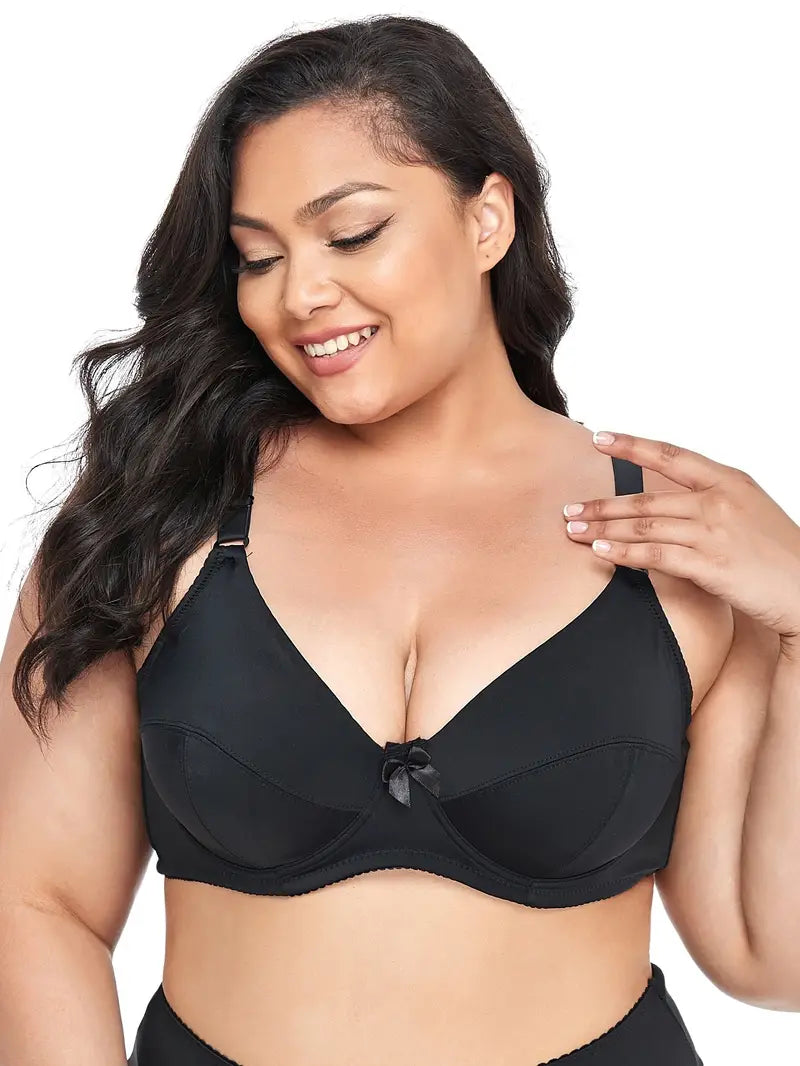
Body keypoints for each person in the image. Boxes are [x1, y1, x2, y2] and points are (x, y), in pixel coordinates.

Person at [3, 14, 798, 1066]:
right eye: (257, 257)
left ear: (487, 219)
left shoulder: (682, 535)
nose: (299, 294)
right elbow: (34, 903)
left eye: (351, 233)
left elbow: (770, 958)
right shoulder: (158, 508)